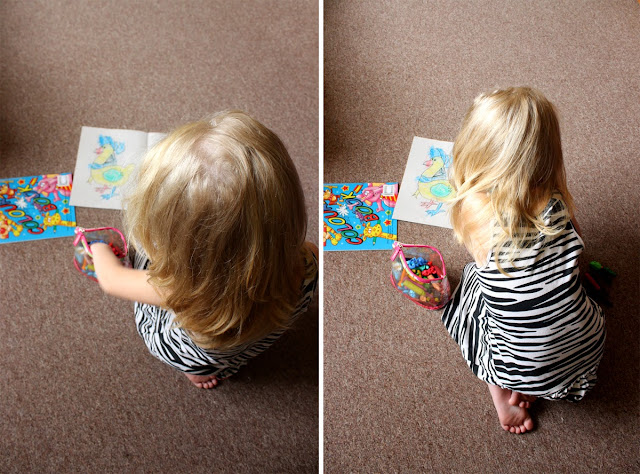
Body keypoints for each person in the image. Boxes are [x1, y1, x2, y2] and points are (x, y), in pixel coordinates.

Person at [90, 111, 318, 389]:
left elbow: (111, 279)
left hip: (195, 347)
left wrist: (97, 247)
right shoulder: (307, 263)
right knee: (235, 350)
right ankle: (213, 367)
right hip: (251, 339)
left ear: (183, 252)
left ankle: (196, 371)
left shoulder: (180, 291)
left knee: (195, 357)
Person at [441, 87, 605, 433]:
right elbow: (577, 245)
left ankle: (503, 396)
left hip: (521, 368)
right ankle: (538, 378)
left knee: (468, 287)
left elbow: (488, 270)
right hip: (587, 346)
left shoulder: (473, 210)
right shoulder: (558, 200)